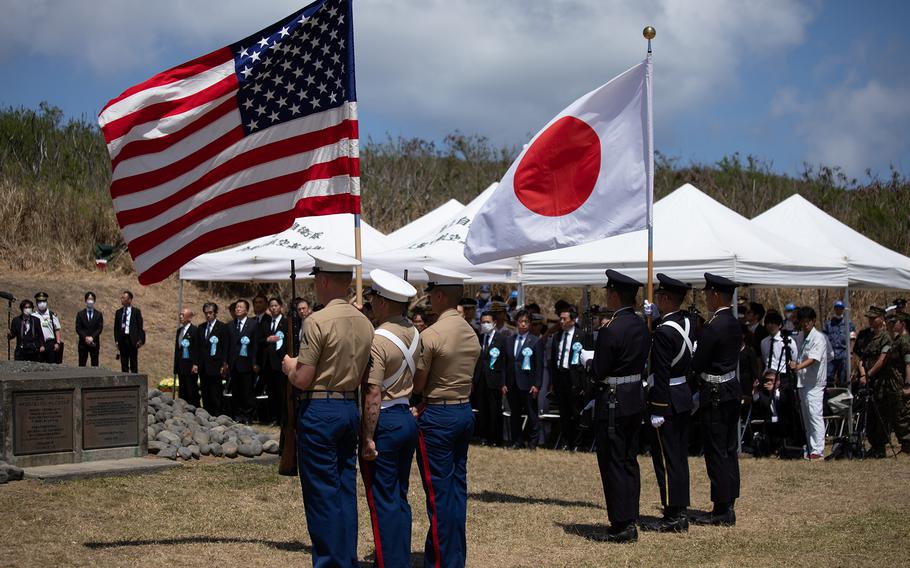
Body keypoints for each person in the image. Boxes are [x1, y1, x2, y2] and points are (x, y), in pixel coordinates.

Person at [281, 251, 373, 568]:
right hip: (349, 407)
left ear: (322, 281)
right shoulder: (365, 322)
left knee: (321, 494)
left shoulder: (316, 321)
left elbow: (303, 379)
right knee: (345, 489)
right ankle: (346, 558)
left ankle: (330, 563)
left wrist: (289, 366)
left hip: (320, 410)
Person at [411, 266, 481, 568]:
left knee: (438, 495)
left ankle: (441, 562)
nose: (429, 301)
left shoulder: (432, 334)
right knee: (456, 491)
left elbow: (419, 384)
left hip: (437, 414)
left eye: (430, 295)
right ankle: (453, 557)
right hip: (463, 410)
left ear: (439, 295)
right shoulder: (470, 331)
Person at [360, 269, 421, 568]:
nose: (371, 305)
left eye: (372, 300)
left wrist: (368, 436)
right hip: (406, 415)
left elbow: (373, 391)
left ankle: (390, 563)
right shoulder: (414, 332)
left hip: (384, 419)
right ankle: (400, 559)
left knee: (382, 500)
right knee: (399, 495)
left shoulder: (378, 339)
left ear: (383, 303)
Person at [590, 269, 649, 543]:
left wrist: (589, 364)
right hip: (634, 398)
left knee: (613, 462)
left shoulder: (611, 329)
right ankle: (631, 514)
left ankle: (621, 523)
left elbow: (600, 370)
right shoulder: (640, 325)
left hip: (612, 400)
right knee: (628, 459)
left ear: (615, 295)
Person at [690, 273, 742, 527]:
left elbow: (698, 362)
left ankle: (721, 509)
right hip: (731, 389)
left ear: (716, 295)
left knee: (716, 450)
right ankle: (729, 500)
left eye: (708, 294)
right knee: (729, 448)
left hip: (715, 393)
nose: (706, 298)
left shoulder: (714, 326)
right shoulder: (733, 323)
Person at [646, 274, 696, 533]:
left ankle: (672, 514)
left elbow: (661, 372)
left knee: (666, 461)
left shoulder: (664, 332)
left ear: (665, 299)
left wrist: (657, 407)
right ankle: (681, 509)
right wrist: (654, 318)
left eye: (658, 298)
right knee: (678, 458)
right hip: (683, 396)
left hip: (666, 400)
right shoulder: (686, 321)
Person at [788, 307, 828, 459]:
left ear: (813, 321)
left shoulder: (819, 338)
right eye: (802, 322)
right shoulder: (800, 336)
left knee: (815, 414)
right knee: (806, 416)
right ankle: (811, 448)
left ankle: (818, 450)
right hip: (803, 382)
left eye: (807, 322)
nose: (805, 325)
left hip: (815, 383)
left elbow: (813, 359)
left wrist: (797, 366)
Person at [549, 305, 587, 450]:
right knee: (563, 412)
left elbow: (585, 362)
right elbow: (553, 359)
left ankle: (577, 443)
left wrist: (583, 384)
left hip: (575, 379)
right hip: (560, 377)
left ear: (573, 320)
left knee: (576, 412)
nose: (561, 321)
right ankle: (565, 441)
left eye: (564, 319)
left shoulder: (581, 335)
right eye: (560, 319)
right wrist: (553, 381)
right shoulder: (557, 336)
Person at [856, 306, 893, 458]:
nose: (870, 320)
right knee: (870, 413)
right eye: (869, 318)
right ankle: (873, 444)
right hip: (869, 381)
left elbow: (882, 360)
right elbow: (862, 358)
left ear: (881, 319)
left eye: (873, 318)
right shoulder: (869, 337)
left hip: (880, 381)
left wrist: (869, 375)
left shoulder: (886, 337)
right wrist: (863, 374)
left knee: (880, 414)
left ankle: (880, 446)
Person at [504, 310, 543, 450]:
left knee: (532, 414)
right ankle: (516, 441)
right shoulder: (509, 340)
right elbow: (506, 363)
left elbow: (539, 365)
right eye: (521, 321)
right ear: (516, 322)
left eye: (526, 321)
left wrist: (537, 385)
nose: (523, 324)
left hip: (528, 383)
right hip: (512, 383)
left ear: (530, 323)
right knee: (515, 414)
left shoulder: (535, 341)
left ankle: (533, 442)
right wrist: (504, 383)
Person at [474, 311, 508, 447]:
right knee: (482, 410)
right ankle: (483, 436)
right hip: (480, 379)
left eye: (488, 322)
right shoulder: (479, 337)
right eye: (483, 322)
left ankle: (495, 438)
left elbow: (505, 362)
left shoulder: (501, 339)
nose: (485, 324)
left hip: (495, 379)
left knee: (494, 410)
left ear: (494, 323)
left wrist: (503, 382)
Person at [195, 302, 229, 417]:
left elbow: (225, 347)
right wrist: (196, 363)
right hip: (203, 366)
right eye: (206, 313)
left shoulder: (222, 327)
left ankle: (218, 413)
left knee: (216, 391)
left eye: (210, 313)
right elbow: (198, 347)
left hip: (216, 365)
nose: (208, 315)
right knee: (205, 391)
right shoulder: (201, 328)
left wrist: (224, 364)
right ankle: (207, 413)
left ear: (215, 313)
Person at [227, 299, 258, 424]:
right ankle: (238, 415)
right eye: (236, 307)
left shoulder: (253, 324)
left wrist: (255, 362)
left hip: (247, 363)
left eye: (240, 307)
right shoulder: (230, 325)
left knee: (247, 391)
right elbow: (227, 345)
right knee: (236, 391)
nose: (237, 309)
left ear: (246, 310)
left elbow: (255, 345)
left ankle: (248, 415)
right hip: (234, 363)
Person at [260, 297, 288, 426]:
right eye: (271, 306)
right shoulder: (265, 322)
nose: (273, 308)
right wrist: (267, 339)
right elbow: (258, 340)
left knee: (282, 392)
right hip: (268, 363)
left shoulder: (286, 322)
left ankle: (283, 419)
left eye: (276, 305)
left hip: (281, 362)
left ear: (280, 306)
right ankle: (273, 418)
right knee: (271, 392)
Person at [822, 300, 855, 387]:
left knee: (843, 378)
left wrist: (851, 352)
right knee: (829, 377)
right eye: (837, 308)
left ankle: (842, 397)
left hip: (843, 354)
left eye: (840, 308)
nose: (838, 310)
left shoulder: (849, 324)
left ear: (843, 310)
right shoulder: (828, 324)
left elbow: (852, 338)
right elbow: (824, 339)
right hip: (831, 354)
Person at [173, 308, 199, 407]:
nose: (180, 317)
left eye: (183, 315)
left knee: (191, 389)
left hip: (190, 365)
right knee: (182, 389)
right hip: (181, 365)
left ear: (189, 317)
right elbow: (177, 349)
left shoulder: (194, 330)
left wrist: (195, 364)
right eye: (180, 315)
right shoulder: (179, 331)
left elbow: (197, 349)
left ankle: (193, 407)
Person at [114, 290, 145, 373]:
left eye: (124, 298)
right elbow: (116, 328)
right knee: (124, 363)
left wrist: (140, 340)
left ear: (129, 300)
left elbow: (140, 327)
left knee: (133, 362)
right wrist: (116, 340)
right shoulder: (118, 312)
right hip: (122, 340)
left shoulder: (136, 312)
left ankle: (135, 381)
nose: (122, 299)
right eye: (122, 298)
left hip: (132, 340)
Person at [75, 292, 103, 367]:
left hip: (94, 343)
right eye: (88, 299)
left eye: (92, 299)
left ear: (94, 301)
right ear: (85, 300)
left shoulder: (98, 314)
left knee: (95, 365)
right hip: (83, 343)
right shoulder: (80, 314)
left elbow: (99, 328)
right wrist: (85, 337)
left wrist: (92, 337)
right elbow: (78, 328)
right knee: (82, 365)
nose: (90, 301)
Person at [33, 292, 62, 364]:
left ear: (46, 302)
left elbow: (57, 329)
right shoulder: (33, 315)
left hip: (50, 343)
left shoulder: (52, 315)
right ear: (36, 303)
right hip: (38, 343)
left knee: (51, 364)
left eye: (43, 301)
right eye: (39, 301)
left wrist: (58, 343)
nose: (42, 303)